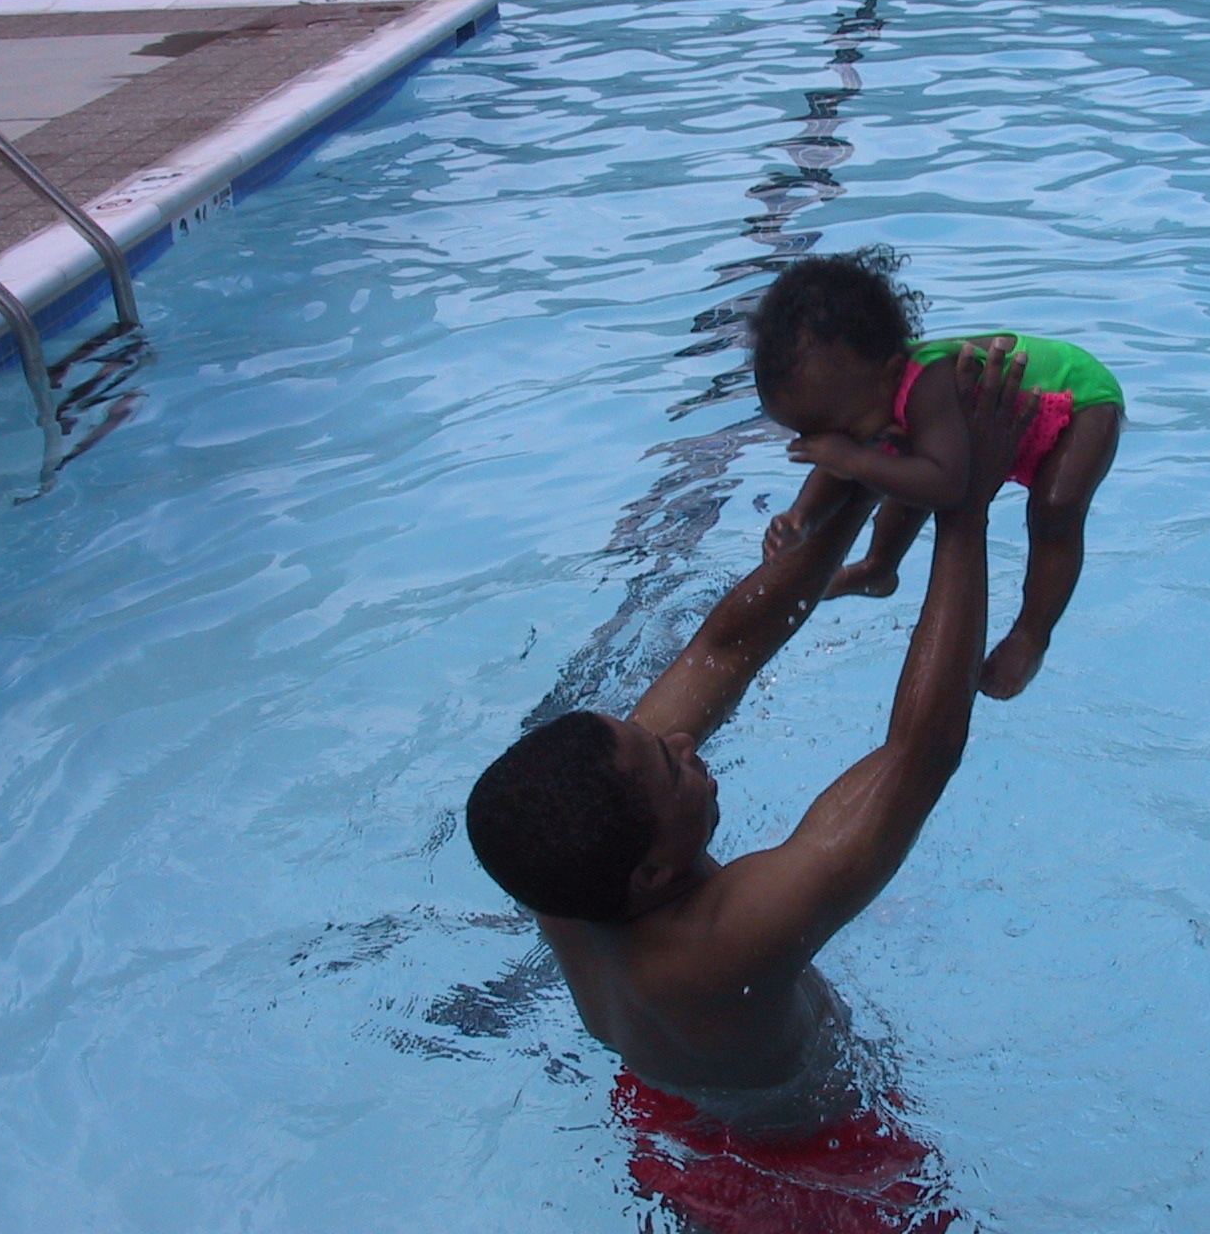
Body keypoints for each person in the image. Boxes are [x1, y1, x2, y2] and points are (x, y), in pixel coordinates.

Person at [466, 341, 1030, 1223]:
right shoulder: (731, 939)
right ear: (651, 874)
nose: (684, 741)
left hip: (668, 1118)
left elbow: (723, 647)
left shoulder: (562, 857)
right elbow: (920, 754)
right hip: (818, 1176)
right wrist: (966, 503)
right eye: (668, 765)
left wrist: (863, 468)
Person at [753, 248, 1123, 700]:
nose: (837, 444)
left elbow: (948, 485)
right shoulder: (865, 392)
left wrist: (852, 458)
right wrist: (801, 519)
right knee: (895, 464)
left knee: (1055, 508)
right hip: (986, 436)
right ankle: (877, 569)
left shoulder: (930, 385)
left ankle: (1031, 635)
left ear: (890, 374)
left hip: (1077, 403)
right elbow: (840, 465)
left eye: (843, 432)